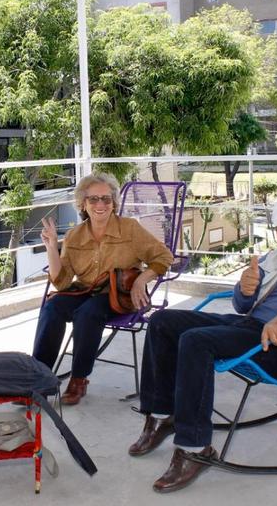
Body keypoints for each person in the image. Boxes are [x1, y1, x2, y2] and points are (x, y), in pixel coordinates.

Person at [129, 194, 277, 493]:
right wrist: (245, 289)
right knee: (162, 321)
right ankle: (161, 416)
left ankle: (195, 448)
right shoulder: (272, 259)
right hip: (249, 328)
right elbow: (241, 305)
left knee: (196, 342)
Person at [33, 172, 174, 406]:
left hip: (119, 295)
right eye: (93, 199)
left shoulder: (130, 228)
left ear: (114, 203)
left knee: (88, 312)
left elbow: (164, 256)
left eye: (106, 199)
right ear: (83, 204)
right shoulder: (74, 236)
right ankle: (38, 379)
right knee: (52, 307)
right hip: (85, 290)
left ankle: (79, 379)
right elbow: (62, 282)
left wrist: (142, 280)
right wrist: (51, 248)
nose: (101, 204)